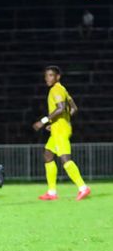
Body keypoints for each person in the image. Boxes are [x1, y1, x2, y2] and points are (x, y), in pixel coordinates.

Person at [33, 66, 90, 201]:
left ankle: (83, 188)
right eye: (46, 75)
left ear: (57, 77)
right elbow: (73, 108)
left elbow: (61, 108)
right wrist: (60, 122)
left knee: (65, 159)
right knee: (48, 155)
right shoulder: (63, 89)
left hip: (60, 131)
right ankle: (52, 192)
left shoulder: (56, 89)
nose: (47, 78)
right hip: (58, 128)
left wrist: (43, 121)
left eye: (51, 75)